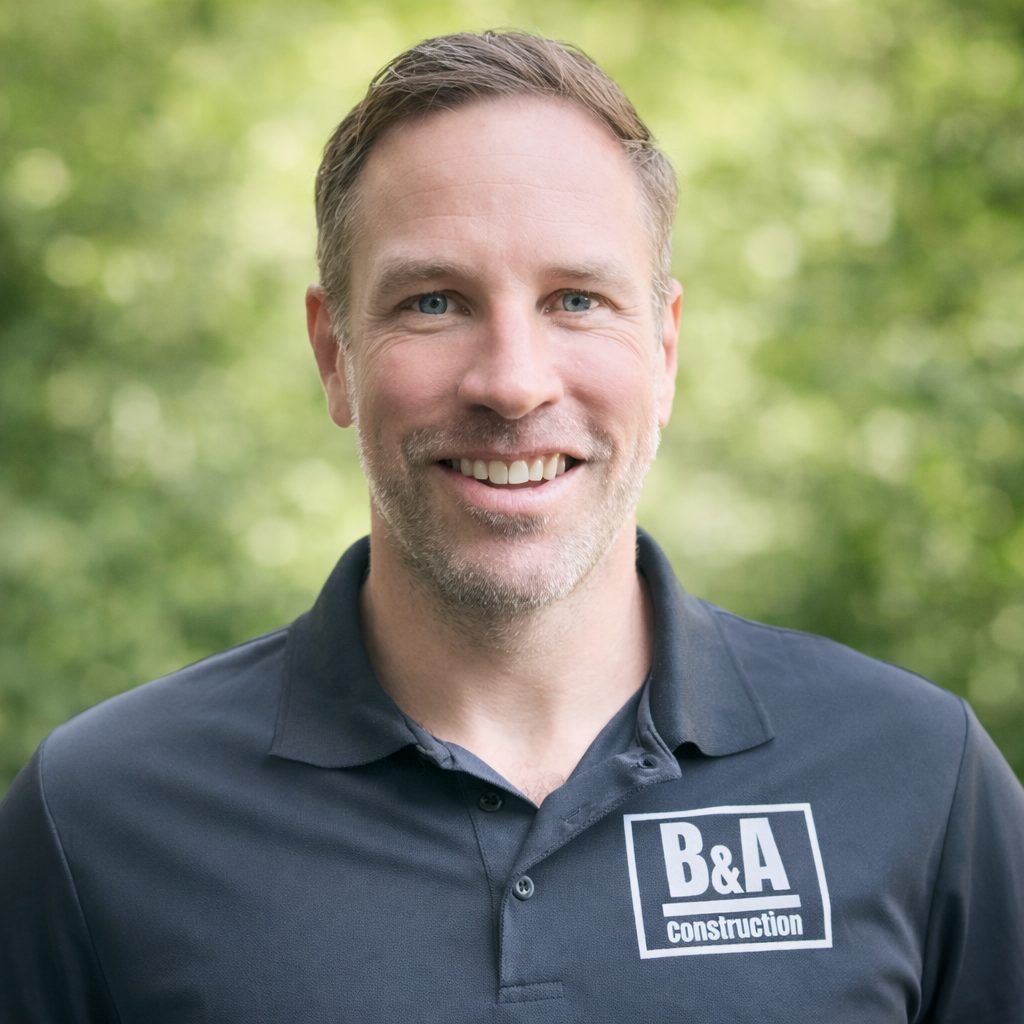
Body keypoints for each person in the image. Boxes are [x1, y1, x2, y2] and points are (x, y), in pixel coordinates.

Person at [0, 30, 1022, 1024]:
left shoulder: (921, 781)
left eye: (575, 299)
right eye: (434, 301)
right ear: (333, 353)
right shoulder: (95, 815)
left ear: (664, 351)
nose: (512, 383)